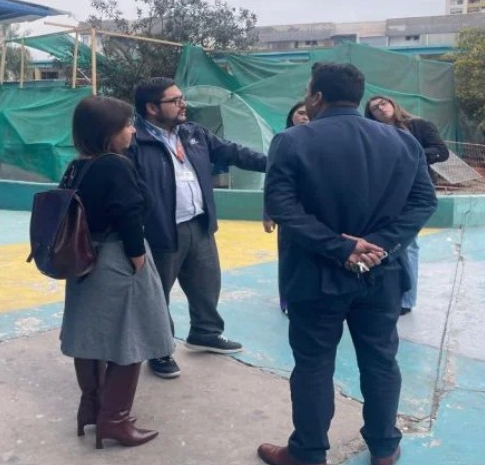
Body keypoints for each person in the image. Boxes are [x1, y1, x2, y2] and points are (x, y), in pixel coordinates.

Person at [258, 63, 438, 465]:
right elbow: (424, 202)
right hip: (381, 274)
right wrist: (380, 245)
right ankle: (384, 447)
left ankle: (307, 452)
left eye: (309, 91)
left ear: (317, 96)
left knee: (313, 365)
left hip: (314, 275)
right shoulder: (403, 142)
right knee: (380, 360)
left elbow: (282, 206)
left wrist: (341, 247)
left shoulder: (290, 141)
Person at [129, 77, 268, 379]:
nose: (184, 105)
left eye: (182, 98)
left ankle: (205, 332)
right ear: (152, 108)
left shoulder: (193, 133)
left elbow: (233, 153)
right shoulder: (135, 141)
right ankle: (159, 349)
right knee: (157, 295)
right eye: (175, 100)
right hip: (160, 230)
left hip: (199, 223)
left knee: (207, 285)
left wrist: (274, 162)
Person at [59, 95, 174, 449]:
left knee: (90, 338)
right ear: (107, 131)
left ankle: (91, 408)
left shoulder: (77, 166)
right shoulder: (115, 165)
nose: (132, 130)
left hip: (83, 261)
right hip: (116, 259)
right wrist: (138, 258)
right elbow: (128, 216)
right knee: (131, 338)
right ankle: (115, 419)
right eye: (126, 125)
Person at [365, 94, 449, 315]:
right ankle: (386, 292)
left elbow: (442, 151)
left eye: (383, 103)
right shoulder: (375, 133)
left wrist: (411, 155)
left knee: (409, 243)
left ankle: (406, 300)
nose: (380, 109)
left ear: (392, 104)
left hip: (415, 190)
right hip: (386, 191)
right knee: (391, 241)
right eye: (374, 108)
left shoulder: (418, 125)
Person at [264, 101, 310, 314]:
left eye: (308, 113)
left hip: (316, 211)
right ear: (292, 116)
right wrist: (268, 213)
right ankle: (288, 300)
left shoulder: (322, 138)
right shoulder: (283, 140)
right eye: (300, 113)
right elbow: (272, 180)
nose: (305, 117)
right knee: (288, 257)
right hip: (288, 212)